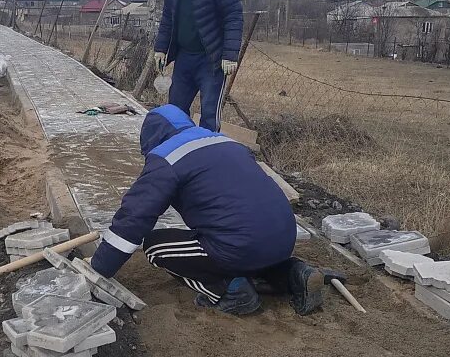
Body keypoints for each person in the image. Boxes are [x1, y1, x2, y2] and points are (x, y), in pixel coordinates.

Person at [90, 104, 335, 316]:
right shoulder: (226, 142)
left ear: (151, 138)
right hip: (284, 238)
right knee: (241, 243)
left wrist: (100, 267)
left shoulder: (166, 157)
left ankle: (230, 290)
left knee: (156, 246)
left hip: (241, 245)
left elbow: (134, 218)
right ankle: (294, 272)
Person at [153, 0, 243, 133]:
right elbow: (167, 18)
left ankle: (207, 153)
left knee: (209, 113)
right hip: (184, 56)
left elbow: (233, 17)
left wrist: (230, 54)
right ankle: (180, 150)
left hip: (211, 59)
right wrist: (161, 48)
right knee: (175, 109)